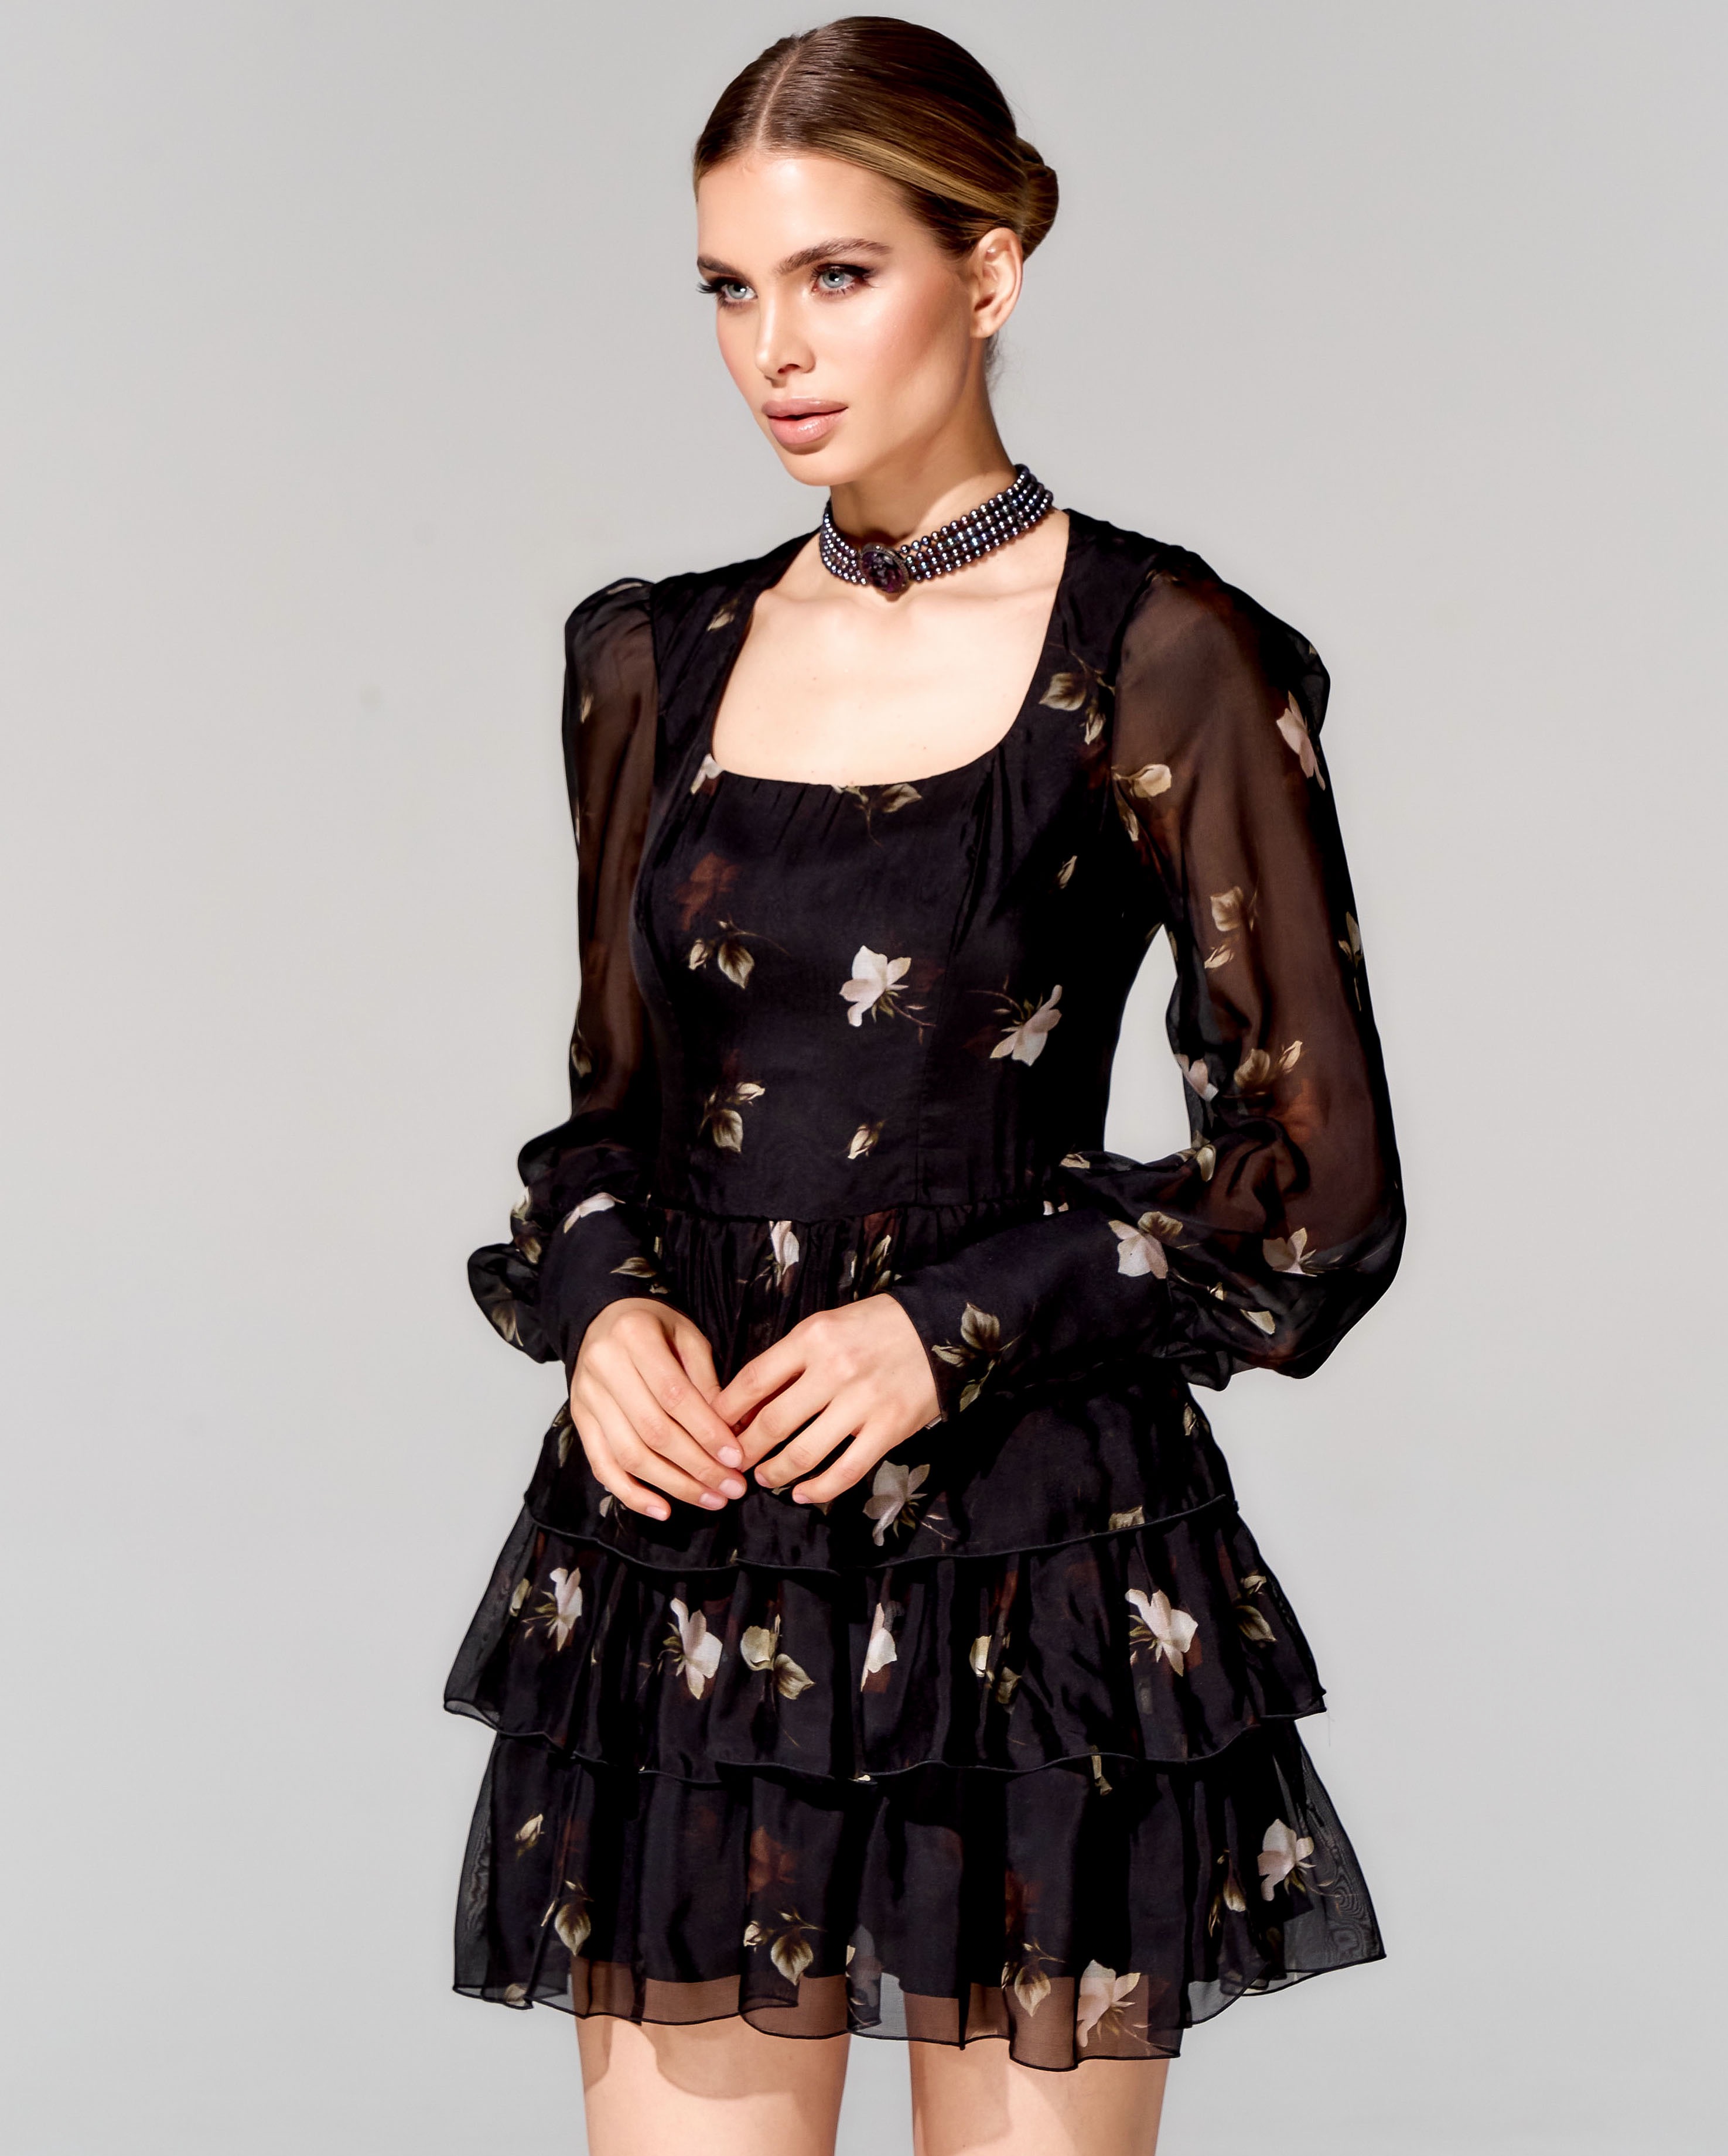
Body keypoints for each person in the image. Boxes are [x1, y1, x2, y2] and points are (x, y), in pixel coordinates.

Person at [445, 18, 1405, 2155]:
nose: (773, 348)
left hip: (1033, 1560)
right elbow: (611, 1110)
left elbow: (1312, 1187)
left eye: (837, 275)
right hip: (692, 1553)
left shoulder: (1171, 656)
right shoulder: (650, 660)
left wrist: (938, 1328)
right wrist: (601, 1304)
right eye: (730, 287)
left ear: (992, 270)